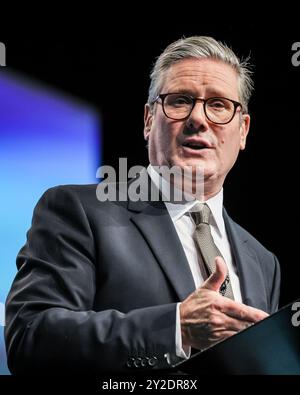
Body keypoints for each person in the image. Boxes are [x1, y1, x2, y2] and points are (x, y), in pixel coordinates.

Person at [5, 36, 280, 374]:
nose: (198, 118)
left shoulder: (263, 262)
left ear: (243, 131)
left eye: (219, 105)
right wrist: (177, 327)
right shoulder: (78, 211)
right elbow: (30, 337)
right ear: (149, 120)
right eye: (179, 101)